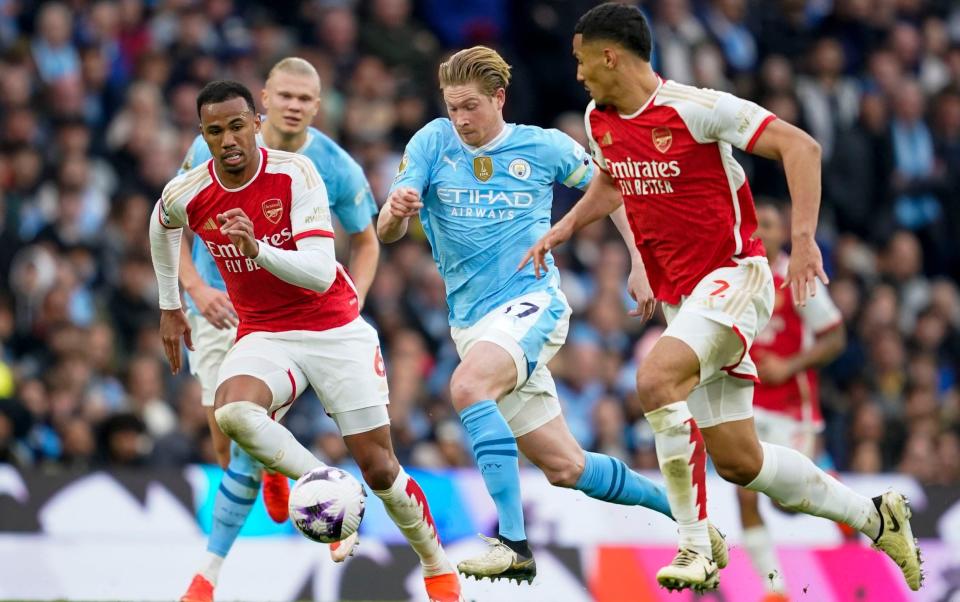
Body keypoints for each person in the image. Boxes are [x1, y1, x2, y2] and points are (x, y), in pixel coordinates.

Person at [522, 3, 922, 593]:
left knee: (655, 380)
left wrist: (805, 243)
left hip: (736, 277)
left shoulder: (697, 107)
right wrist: (566, 229)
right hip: (688, 298)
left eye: (582, 59)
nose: (576, 73)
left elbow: (801, 148)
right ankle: (875, 516)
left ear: (611, 55)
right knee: (740, 461)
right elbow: (614, 179)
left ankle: (694, 542)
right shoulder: (598, 117)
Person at [378, 46, 727, 585]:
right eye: (452, 108)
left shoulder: (542, 148)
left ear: (499, 98)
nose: (461, 119)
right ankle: (692, 523)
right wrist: (395, 212)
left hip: (533, 303)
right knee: (567, 468)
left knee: (469, 388)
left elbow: (613, 191)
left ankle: (512, 543)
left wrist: (640, 260)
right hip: (472, 324)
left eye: (470, 106)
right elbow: (386, 231)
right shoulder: (431, 142)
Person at [150, 80, 462, 602]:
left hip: (333, 327)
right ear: (202, 135)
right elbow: (160, 227)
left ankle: (437, 566)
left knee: (381, 467)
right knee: (231, 413)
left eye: (234, 126)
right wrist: (170, 305)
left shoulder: (298, 172)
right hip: (264, 331)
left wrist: (256, 248)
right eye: (213, 131)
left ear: (255, 123)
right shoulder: (188, 190)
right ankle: (317, 479)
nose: (226, 140)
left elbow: (319, 272)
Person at [175, 58, 380, 602]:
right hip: (219, 306)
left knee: (243, 432)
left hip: (288, 319)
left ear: (318, 106)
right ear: (264, 99)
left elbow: (367, 238)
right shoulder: (215, 147)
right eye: (284, 95)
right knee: (225, 439)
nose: (293, 105)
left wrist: (352, 300)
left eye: (305, 98)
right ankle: (273, 469)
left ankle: (207, 575)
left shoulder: (334, 167)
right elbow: (168, 224)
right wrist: (195, 290)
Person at [738, 199, 848, 601]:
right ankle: (774, 592)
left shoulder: (798, 278)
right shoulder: (736, 277)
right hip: (747, 405)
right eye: (754, 224)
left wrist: (789, 365)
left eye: (767, 224)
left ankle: (843, 497)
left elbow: (836, 337)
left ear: (783, 234)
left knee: (788, 501)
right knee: (745, 493)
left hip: (791, 406)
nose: (759, 232)